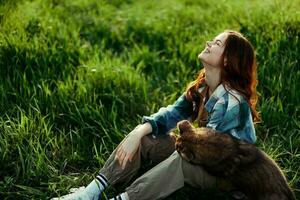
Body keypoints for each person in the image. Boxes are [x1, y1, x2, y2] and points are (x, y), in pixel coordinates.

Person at [51, 30, 259, 200]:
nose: (208, 43)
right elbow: (174, 113)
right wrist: (139, 131)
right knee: (146, 140)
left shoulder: (232, 101)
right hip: (203, 153)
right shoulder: (204, 86)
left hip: (227, 174)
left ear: (227, 60)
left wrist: (184, 150)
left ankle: (125, 198)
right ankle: (91, 192)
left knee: (182, 160)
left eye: (216, 43)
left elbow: (211, 151)